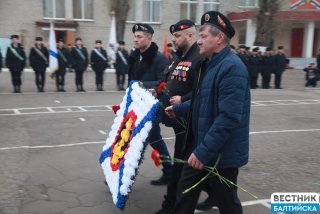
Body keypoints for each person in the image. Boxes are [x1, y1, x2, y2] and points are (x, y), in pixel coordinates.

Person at [165, 11, 250, 214]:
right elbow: (202, 100)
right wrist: (178, 109)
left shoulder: (232, 68)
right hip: (203, 145)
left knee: (228, 204)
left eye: (203, 37)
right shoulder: (209, 64)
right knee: (184, 195)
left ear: (219, 38)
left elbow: (228, 118)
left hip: (221, 154)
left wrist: (203, 152)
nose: (199, 42)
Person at [156, 19, 209, 214]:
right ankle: (214, 193)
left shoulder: (199, 57)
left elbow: (203, 89)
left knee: (181, 166)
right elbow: (170, 80)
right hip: (178, 120)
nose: (174, 39)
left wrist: (184, 99)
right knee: (194, 167)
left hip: (189, 123)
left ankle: (169, 206)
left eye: (178, 36)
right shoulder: (180, 56)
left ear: (190, 36)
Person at [129, 23, 173, 185]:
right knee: (154, 140)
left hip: (152, 107)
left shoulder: (159, 58)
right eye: (135, 36)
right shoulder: (135, 56)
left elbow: (165, 82)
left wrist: (143, 85)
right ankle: (169, 170)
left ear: (149, 38)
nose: (136, 39)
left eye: (139, 36)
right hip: (137, 105)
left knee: (139, 140)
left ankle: (127, 175)